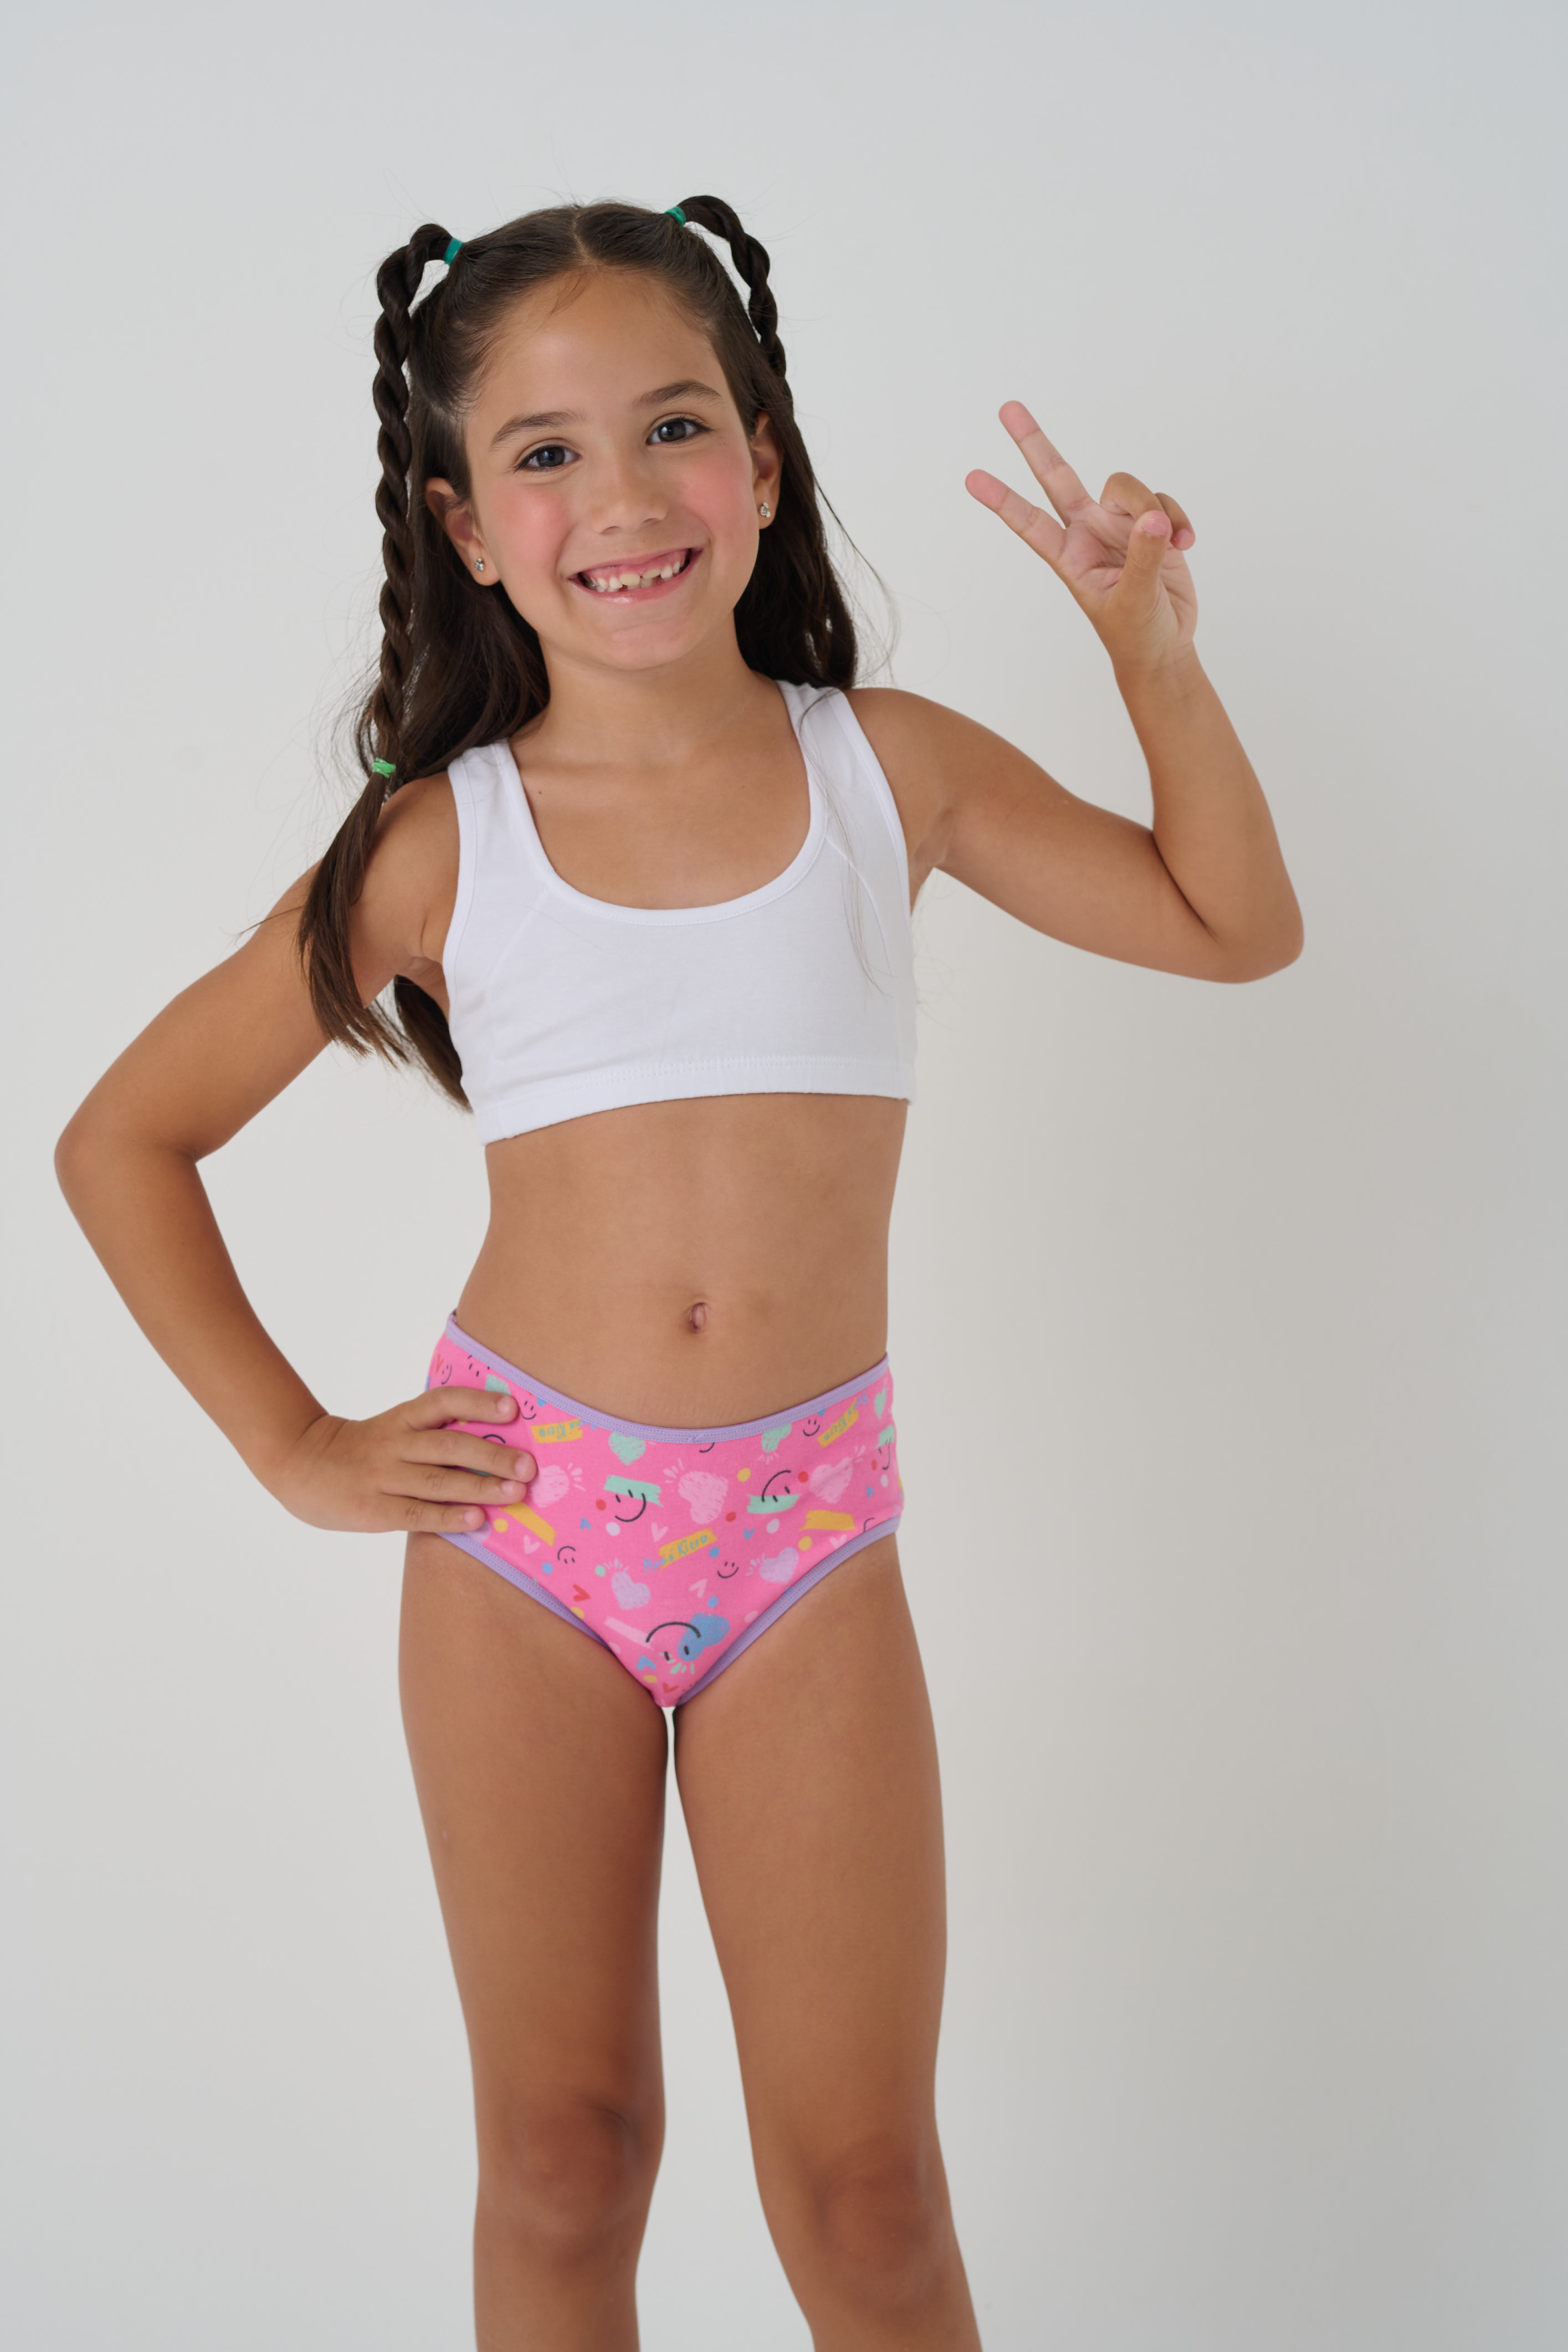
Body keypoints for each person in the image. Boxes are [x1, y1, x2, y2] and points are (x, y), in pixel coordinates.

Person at [55, 195, 1303, 2351]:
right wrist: (295, 1441)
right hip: (525, 1535)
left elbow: (1230, 924)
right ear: (466, 526)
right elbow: (122, 1138)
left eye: (674, 426)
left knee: (871, 2192)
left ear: (765, 459)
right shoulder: (439, 842)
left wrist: (1152, 658)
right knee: (565, 2158)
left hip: (805, 1532)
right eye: (546, 453)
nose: (624, 498)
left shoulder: (886, 769)